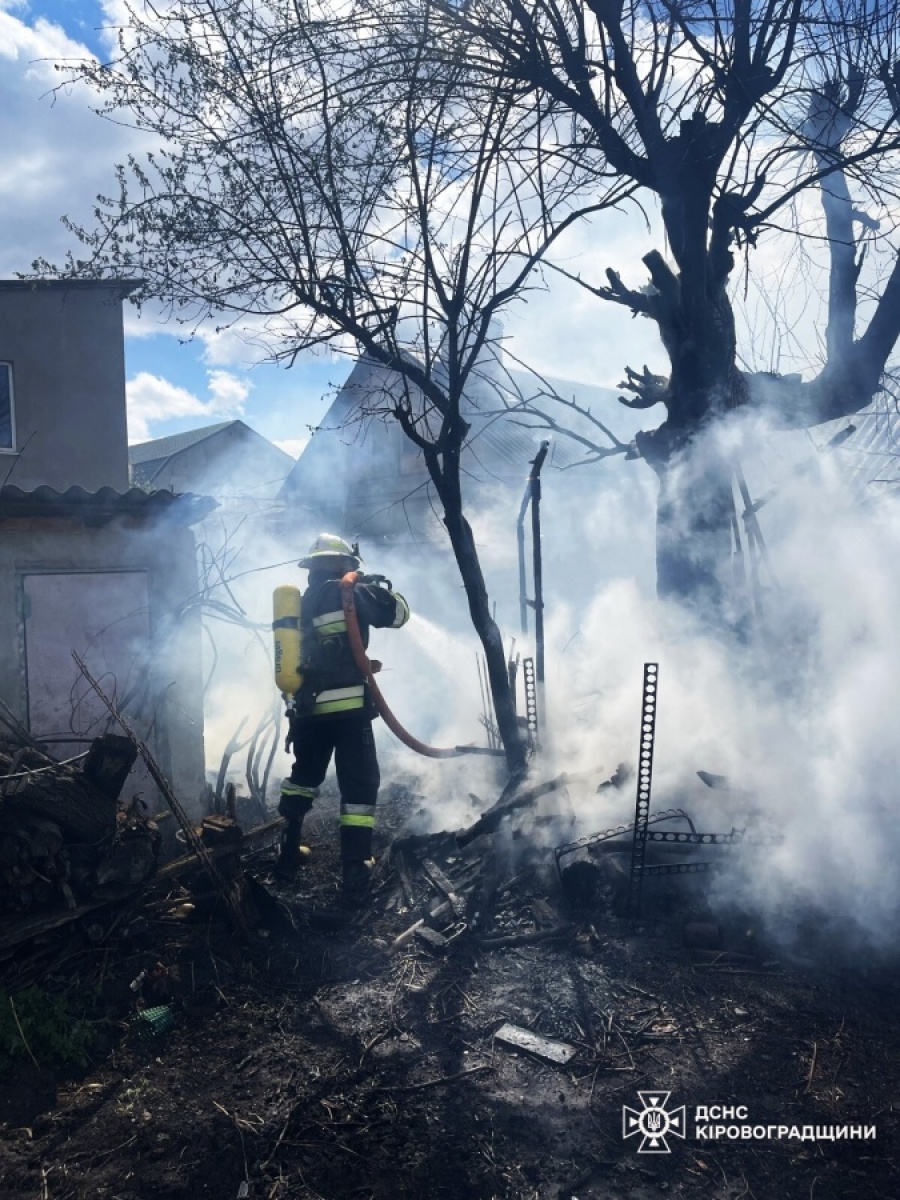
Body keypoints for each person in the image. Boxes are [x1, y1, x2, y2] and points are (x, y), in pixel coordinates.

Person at [275, 533, 410, 904]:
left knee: (302, 780)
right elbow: (399, 614)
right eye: (349, 564)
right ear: (340, 564)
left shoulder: (300, 603)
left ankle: (287, 855)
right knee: (359, 787)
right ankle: (355, 869)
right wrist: (378, 587)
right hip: (349, 714)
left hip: (307, 714)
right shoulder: (351, 592)